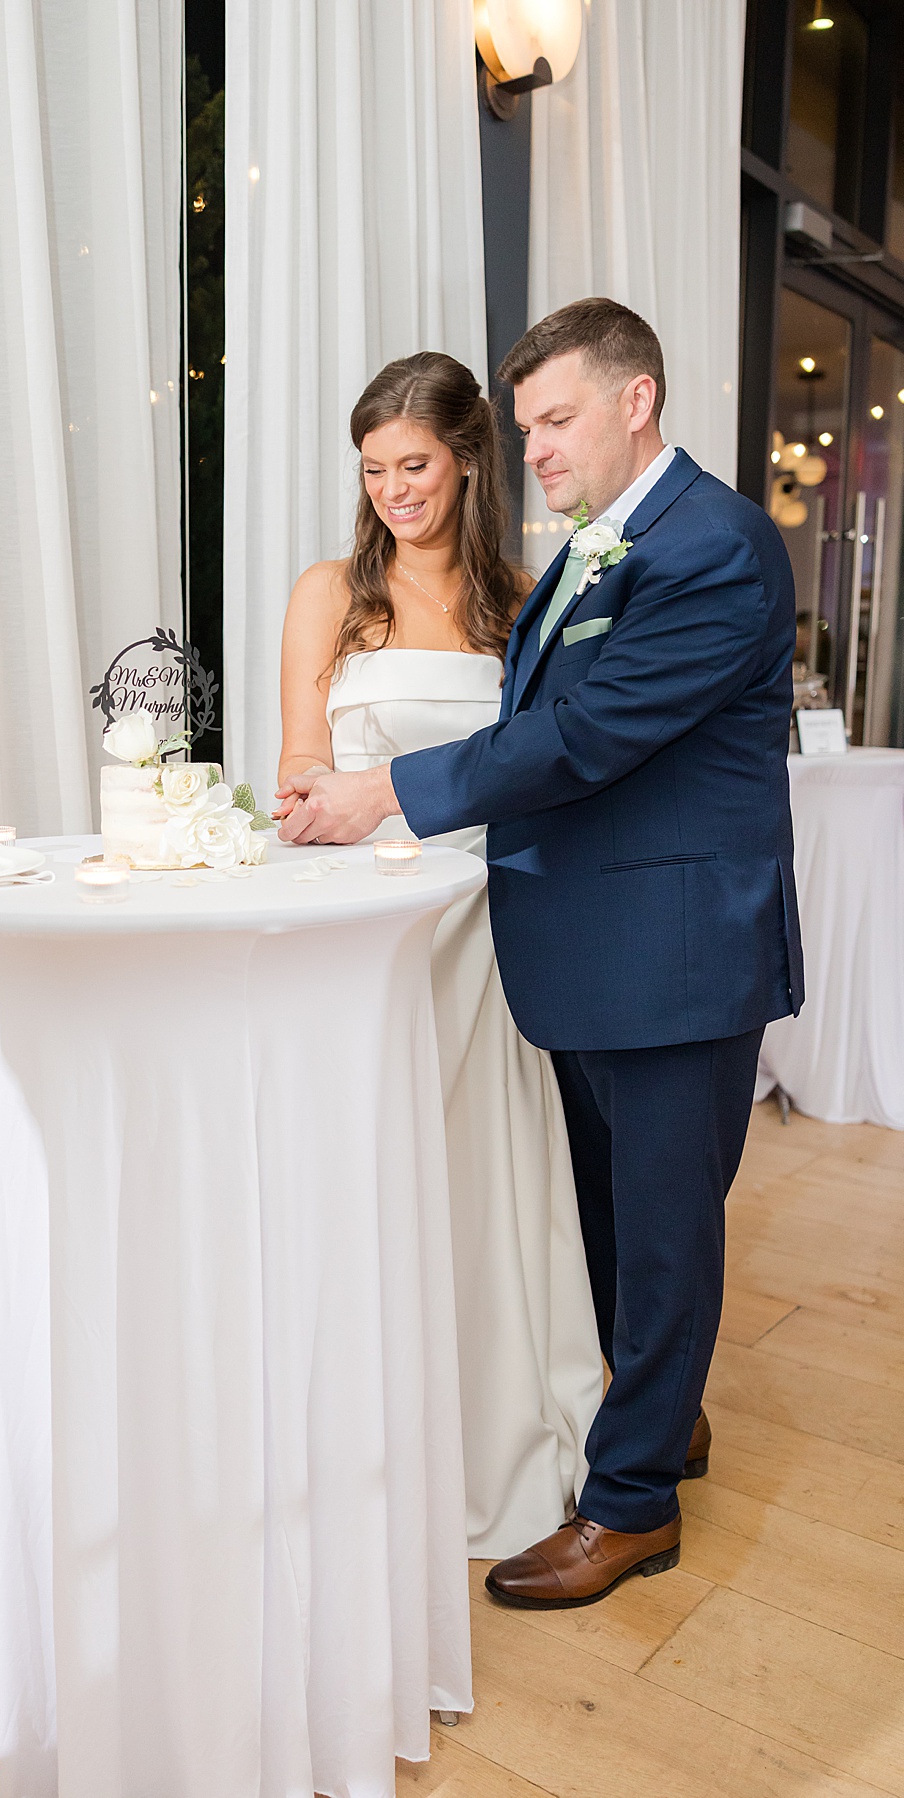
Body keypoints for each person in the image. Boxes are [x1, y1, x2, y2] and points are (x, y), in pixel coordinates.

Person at [281, 298, 802, 1606]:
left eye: (555, 419)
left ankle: (626, 1507)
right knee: (607, 1226)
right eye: (525, 427)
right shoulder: (590, 549)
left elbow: (583, 738)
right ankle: (657, 1415)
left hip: (678, 950)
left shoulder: (712, 548)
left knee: (666, 1230)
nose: (539, 448)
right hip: (574, 947)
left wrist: (388, 792)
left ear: (637, 402)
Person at [275, 351, 604, 1557]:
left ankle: (490, 1432)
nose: (394, 492)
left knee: (478, 1183)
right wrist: (316, 801)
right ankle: (362, 1447)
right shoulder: (328, 594)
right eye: (374, 471)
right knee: (370, 1175)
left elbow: (546, 771)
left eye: (414, 464)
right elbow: (299, 764)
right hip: (370, 929)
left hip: (488, 931)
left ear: (469, 459)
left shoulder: (522, 598)